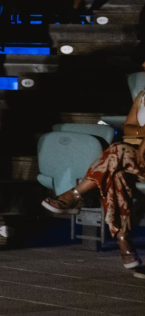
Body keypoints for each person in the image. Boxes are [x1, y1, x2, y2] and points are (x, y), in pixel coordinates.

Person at [41, 84, 145, 274]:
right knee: (117, 173)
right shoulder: (142, 96)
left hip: (137, 156)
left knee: (116, 151)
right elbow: (129, 128)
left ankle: (76, 194)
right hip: (137, 158)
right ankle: (123, 239)